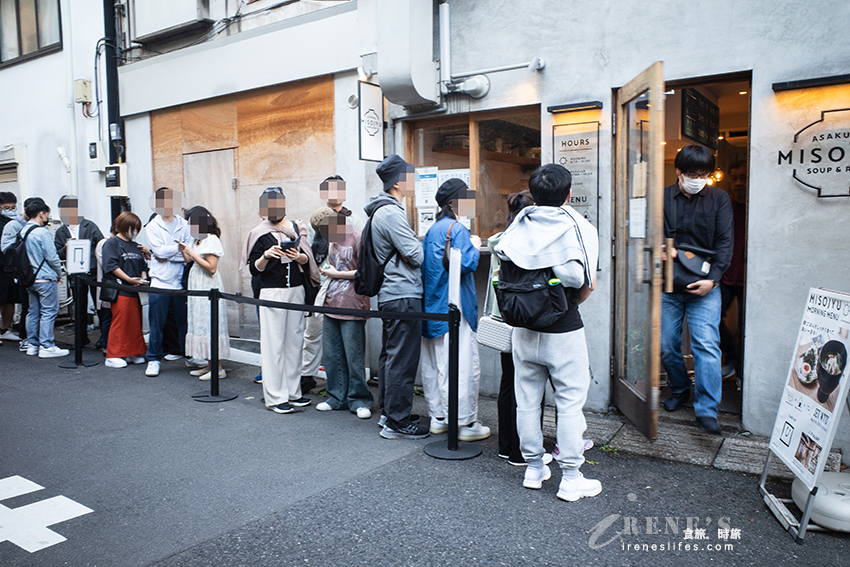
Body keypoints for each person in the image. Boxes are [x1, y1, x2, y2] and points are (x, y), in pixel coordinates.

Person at [495, 163, 600, 502]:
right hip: (563, 328)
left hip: (523, 328)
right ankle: (571, 477)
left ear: (535, 193)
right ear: (568, 194)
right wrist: (567, 306)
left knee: (526, 400)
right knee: (569, 403)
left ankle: (533, 468)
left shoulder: (517, 226)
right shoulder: (579, 227)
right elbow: (585, 283)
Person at [660, 145, 734, 435]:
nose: (698, 179)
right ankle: (680, 389)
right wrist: (661, 250)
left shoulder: (719, 198)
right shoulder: (664, 197)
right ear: (679, 171)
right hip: (669, 284)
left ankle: (706, 410)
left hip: (706, 285)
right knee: (667, 344)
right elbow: (651, 235)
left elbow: (725, 243)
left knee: (706, 346)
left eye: (704, 174)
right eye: (692, 174)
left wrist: (713, 280)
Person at [420, 178, 490, 441]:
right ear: (453, 202)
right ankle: (463, 423)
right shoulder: (457, 229)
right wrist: (475, 241)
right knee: (460, 364)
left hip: (432, 304)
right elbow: (468, 263)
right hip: (455, 303)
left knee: (435, 363)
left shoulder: (433, 229)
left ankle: (439, 418)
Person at [367, 154, 429, 440]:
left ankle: (390, 414)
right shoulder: (391, 213)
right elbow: (416, 256)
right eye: (410, 176)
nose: (414, 181)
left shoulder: (382, 210)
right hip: (403, 292)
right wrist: (415, 244)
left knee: (392, 356)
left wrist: (409, 247)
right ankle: (397, 420)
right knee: (402, 359)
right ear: (397, 182)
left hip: (392, 293)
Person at [242, 187, 320, 414]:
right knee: (273, 344)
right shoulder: (258, 233)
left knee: (295, 343)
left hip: (296, 290)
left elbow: (307, 260)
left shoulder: (294, 228)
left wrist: (298, 256)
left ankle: (294, 393)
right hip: (272, 292)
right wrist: (266, 256)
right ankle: (275, 397)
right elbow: (254, 270)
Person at [301, 176, 366, 393]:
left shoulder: (354, 220)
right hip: (319, 281)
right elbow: (310, 251)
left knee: (349, 340)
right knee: (313, 331)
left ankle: (349, 388)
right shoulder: (317, 219)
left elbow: (361, 254)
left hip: (347, 284)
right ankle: (307, 375)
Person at [314, 211, 373, 418]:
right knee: (331, 354)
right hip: (332, 301)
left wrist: (335, 273)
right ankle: (336, 397)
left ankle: (359, 399)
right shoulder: (333, 242)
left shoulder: (358, 237)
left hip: (353, 303)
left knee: (353, 355)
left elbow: (366, 271)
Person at [144, 188, 192, 377]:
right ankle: (153, 359)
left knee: (184, 323)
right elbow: (158, 251)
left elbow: (188, 252)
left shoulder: (185, 224)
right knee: (157, 324)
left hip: (180, 282)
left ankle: (189, 355)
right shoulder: (153, 226)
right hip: (160, 282)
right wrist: (175, 251)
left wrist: (167, 253)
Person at [178, 206, 230, 381]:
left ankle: (218, 368)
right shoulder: (197, 240)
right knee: (199, 323)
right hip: (197, 284)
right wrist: (184, 251)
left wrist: (192, 252)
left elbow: (212, 268)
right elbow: (190, 261)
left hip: (208, 284)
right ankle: (209, 365)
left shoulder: (212, 239)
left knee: (210, 324)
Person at [21, 200, 69, 358]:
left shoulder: (24, 231)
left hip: (29, 277)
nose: (48, 217)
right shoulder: (43, 232)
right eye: (47, 214)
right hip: (44, 277)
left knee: (33, 311)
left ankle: (32, 344)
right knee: (49, 311)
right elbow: (52, 257)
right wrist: (58, 273)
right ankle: (47, 345)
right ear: (41, 214)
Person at [54, 195, 104, 343]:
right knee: (79, 306)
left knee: (99, 304)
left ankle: (104, 337)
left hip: (93, 271)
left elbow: (101, 245)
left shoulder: (90, 226)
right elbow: (57, 253)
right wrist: (65, 248)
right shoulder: (61, 231)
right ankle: (81, 338)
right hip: (75, 273)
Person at [102, 212, 148, 368]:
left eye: (136, 229)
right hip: (120, 288)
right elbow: (111, 266)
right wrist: (128, 279)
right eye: (132, 228)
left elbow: (143, 266)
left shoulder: (136, 246)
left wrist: (142, 278)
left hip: (135, 289)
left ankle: (133, 352)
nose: (134, 231)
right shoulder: (111, 243)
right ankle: (113, 354)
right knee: (120, 322)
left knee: (135, 322)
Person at [2, 197, 45, 352]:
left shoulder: (39, 226)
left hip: (35, 271)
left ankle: (36, 339)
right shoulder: (14, 225)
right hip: (20, 271)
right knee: (27, 306)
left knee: (35, 307)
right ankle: (26, 338)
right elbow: (6, 247)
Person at [720, 159, 747, 389]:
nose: (738, 183)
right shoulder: (725, 205)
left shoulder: (757, 206)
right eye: (734, 178)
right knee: (711, 318)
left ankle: (740, 371)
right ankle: (730, 355)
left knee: (747, 327)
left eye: (743, 178)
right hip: (726, 275)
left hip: (751, 278)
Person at [0, 191, 22, 343]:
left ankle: (5, 329)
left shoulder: (18, 221)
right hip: (0, 265)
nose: (11, 210)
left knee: (11, 299)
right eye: (7, 207)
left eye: (13, 207)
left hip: (13, 266)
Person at [94, 224, 117, 353]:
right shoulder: (104, 243)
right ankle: (106, 345)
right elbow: (107, 265)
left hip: (117, 285)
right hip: (109, 285)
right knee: (108, 316)